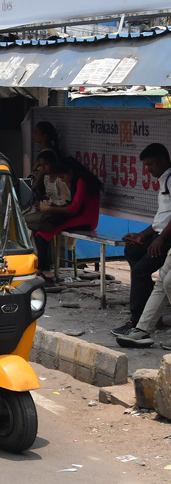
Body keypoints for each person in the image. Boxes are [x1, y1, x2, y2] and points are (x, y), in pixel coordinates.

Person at [113, 143, 171, 338]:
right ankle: (147, 307)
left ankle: (136, 321)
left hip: (167, 238)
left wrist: (161, 240)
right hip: (159, 234)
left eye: (151, 164)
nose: (148, 169)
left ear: (163, 160)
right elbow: (161, 219)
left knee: (141, 271)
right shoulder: (164, 180)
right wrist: (142, 235)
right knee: (132, 251)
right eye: (146, 166)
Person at [33, 157, 101, 288]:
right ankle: (42, 268)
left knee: (43, 233)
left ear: (70, 172)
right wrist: (56, 207)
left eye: (63, 176)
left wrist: (49, 208)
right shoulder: (78, 180)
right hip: (79, 217)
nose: (63, 180)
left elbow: (74, 208)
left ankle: (46, 271)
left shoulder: (82, 181)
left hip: (86, 220)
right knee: (38, 230)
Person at [24, 150, 70, 232]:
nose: (43, 168)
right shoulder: (46, 178)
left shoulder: (60, 179)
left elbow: (66, 201)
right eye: (41, 165)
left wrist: (49, 205)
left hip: (59, 211)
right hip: (50, 210)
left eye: (46, 164)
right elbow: (37, 191)